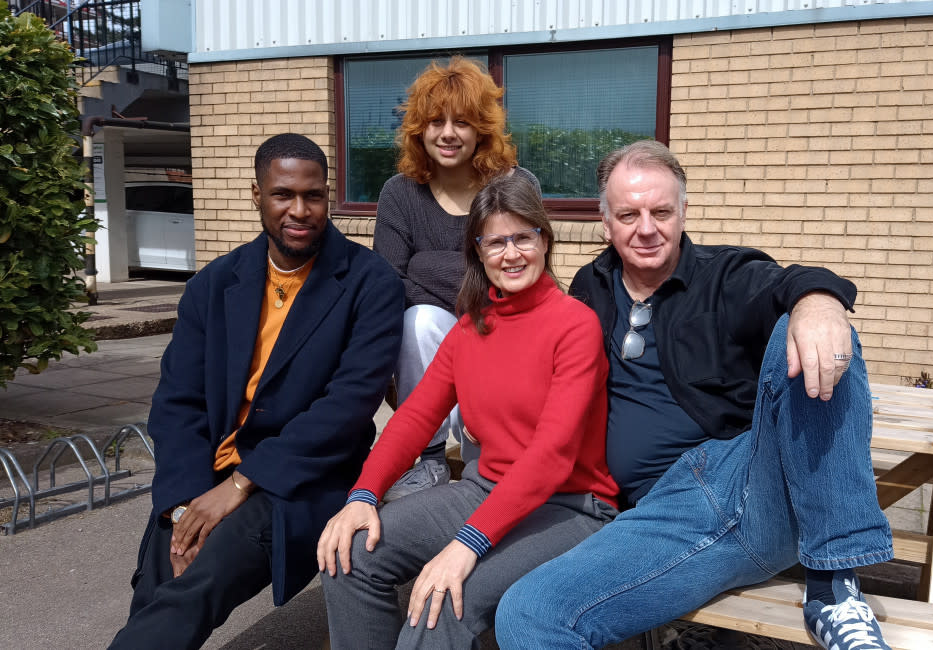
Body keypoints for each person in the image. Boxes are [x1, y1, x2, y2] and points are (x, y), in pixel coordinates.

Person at [495, 140, 894, 650]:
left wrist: (819, 301)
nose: (646, 228)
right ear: (605, 222)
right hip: (651, 519)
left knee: (808, 325)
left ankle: (836, 587)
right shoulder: (589, 286)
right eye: (628, 214)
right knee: (528, 615)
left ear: (684, 212)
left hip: (740, 484)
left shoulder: (726, 276)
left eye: (661, 211)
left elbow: (790, 283)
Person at [108, 133, 405, 649]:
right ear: (256, 195)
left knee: (203, 576)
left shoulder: (370, 283)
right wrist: (183, 505)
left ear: (327, 196)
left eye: (313, 196)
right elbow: (179, 402)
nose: (300, 210)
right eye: (282, 194)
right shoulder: (215, 283)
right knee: (164, 569)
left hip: (301, 478)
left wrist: (239, 486)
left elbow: (347, 407)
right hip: (206, 472)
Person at [317, 173, 618, 649]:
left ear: (545, 240)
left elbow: (552, 454)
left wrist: (468, 542)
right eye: (495, 241)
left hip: (570, 506)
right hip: (483, 488)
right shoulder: (470, 328)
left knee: (440, 601)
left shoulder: (575, 325)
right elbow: (415, 418)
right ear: (478, 252)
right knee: (350, 553)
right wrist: (363, 495)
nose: (511, 253)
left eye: (523, 236)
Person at [374, 55, 540, 501]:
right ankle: (428, 460)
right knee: (419, 321)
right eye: (436, 122)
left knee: (477, 330)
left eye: (462, 122)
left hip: (502, 332)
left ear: (481, 129)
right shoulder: (400, 192)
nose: (448, 134)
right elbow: (389, 283)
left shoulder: (513, 185)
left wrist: (425, 265)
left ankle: (478, 464)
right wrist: (470, 273)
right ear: (419, 129)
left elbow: (516, 279)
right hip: (435, 341)